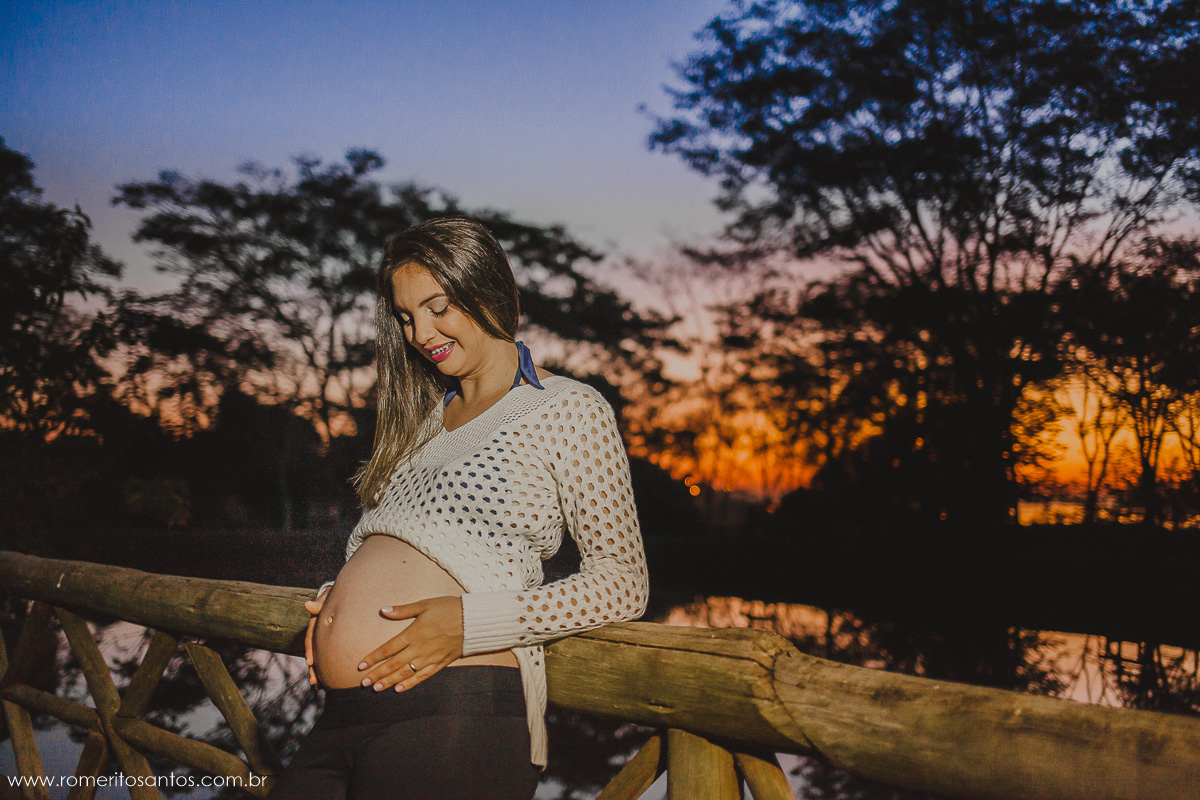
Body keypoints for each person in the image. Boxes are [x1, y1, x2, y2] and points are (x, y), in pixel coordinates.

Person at [266, 216, 649, 800]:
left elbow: (623, 583)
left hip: (452, 711)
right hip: (342, 713)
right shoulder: (422, 425)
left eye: (437, 307)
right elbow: (406, 548)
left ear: (486, 287)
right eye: (405, 317)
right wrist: (336, 606)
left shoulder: (567, 408)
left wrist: (472, 622)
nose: (421, 332)